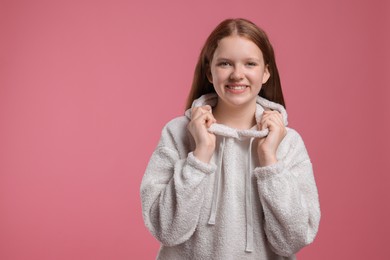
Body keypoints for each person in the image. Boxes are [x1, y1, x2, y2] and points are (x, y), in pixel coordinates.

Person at [140, 18, 320, 260]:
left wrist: (269, 161)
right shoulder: (177, 133)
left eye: (250, 64)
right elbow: (167, 231)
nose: (237, 74)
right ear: (210, 71)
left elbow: (293, 240)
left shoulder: (288, 142)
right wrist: (199, 156)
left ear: (266, 72)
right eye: (225, 63)